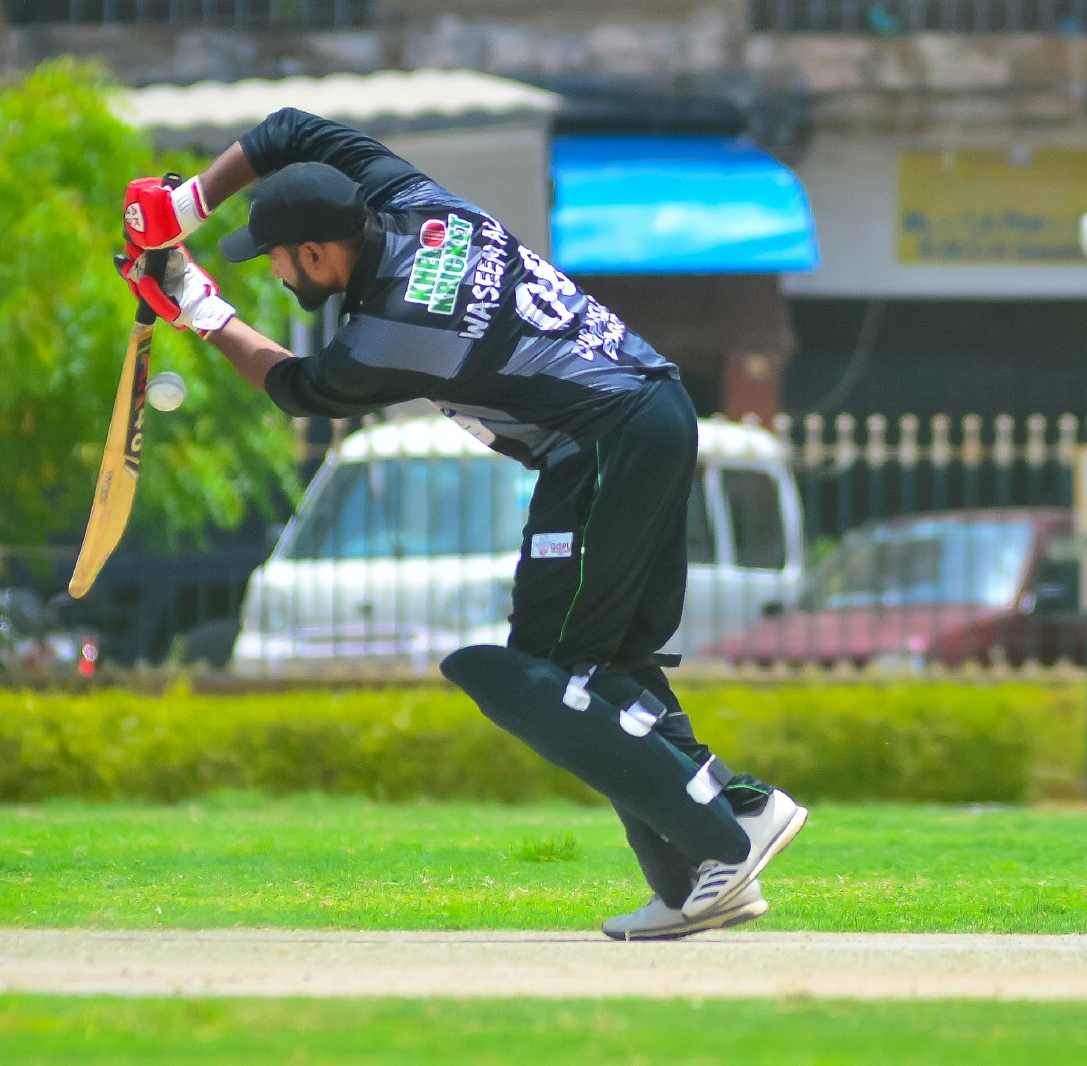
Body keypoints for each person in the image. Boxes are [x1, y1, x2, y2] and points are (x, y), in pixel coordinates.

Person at [118, 106, 807, 940]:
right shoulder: (414, 202)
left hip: (601, 440)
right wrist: (185, 205)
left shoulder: (397, 331)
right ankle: (696, 876)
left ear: (316, 252)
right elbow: (293, 129)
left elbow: (298, 387)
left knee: (545, 672)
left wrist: (198, 305)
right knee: (605, 668)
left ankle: (732, 826)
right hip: (654, 408)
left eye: (275, 257)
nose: (275, 272)